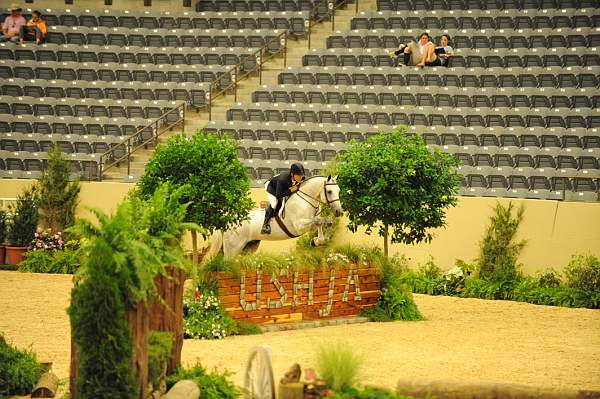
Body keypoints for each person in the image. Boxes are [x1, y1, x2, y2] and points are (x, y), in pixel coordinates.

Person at [261, 163, 306, 234]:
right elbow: (279, 194)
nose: (300, 178)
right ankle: (265, 224)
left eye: (301, 175)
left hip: (282, 187)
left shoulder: (301, 177)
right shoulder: (283, 179)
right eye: (298, 175)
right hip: (272, 187)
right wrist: (290, 190)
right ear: (292, 174)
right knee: (275, 203)